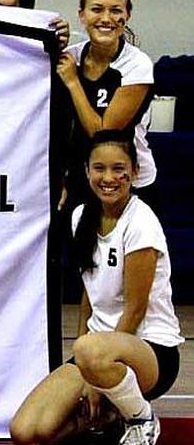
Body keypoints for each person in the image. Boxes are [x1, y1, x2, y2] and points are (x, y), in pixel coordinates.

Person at [10, 130, 182, 445]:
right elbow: (89, 292)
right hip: (97, 353)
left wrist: (92, 371)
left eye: (119, 169)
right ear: (87, 171)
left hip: (151, 350)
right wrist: (85, 361)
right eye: (99, 168)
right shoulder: (80, 217)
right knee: (26, 431)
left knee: (88, 349)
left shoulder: (141, 222)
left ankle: (141, 418)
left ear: (135, 172)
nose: (109, 177)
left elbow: (135, 309)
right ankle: (109, 416)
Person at [57, 0, 157, 212]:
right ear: (81, 15)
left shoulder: (136, 64)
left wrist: (73, 82)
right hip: (80, 177)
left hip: (127, 181)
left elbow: (101, 135)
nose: (106, 18)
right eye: (97, 9)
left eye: (115, 10)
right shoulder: (69, 57)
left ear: (127, 16)